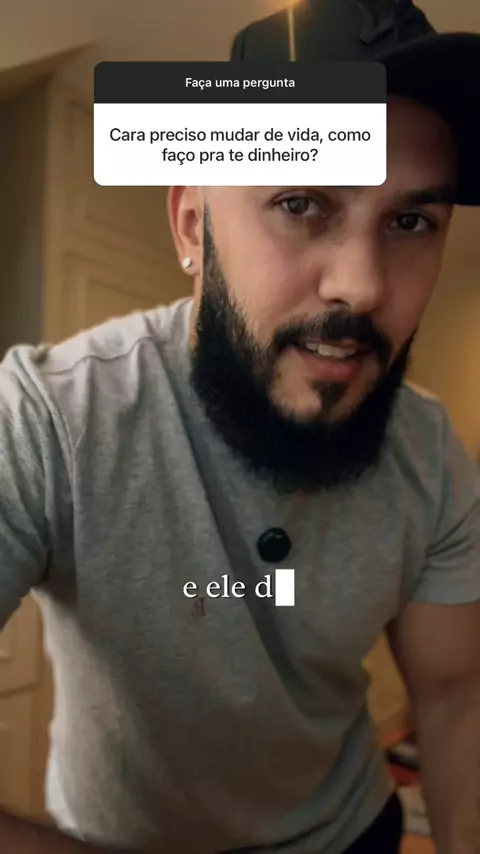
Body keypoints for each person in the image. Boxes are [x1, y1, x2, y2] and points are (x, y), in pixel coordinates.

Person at [0, 1, 479, 852]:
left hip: (350, 831)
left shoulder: (432, 452)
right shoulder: (48, 417)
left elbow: (455, 702)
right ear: (194, 224)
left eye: (411, 222)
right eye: (301, 202)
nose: (363, 286)